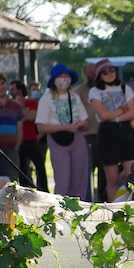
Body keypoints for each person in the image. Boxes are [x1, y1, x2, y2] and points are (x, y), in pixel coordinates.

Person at [88, 58, 134, 201]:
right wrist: (123, 110)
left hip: (125, 131)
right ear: (99, 76)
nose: (109, 74)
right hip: (107, 133)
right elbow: (103, 115)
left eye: (112, 70)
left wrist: (115, 116)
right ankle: (114, 208)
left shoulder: (125, 88)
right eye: (105, 72)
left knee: (132, 175)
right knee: (112, 178)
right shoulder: (95, 91)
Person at [35, 64, 90, 199]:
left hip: (76, 137)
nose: (64, 80)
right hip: (57, 139)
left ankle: (79, 207)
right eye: (60, 77)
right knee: (62, 178)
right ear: (54, 80)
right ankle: (61, 209)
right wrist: (64, 127)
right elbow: (41, 126)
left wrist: (81, 124)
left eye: (66, 77)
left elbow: (86, 122)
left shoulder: (74, 97)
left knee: (80, 177)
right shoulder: (46, 99)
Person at [9, 80, 48, 192]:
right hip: (18, 141)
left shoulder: (32, 103)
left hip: (32, 140)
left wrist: (21, 107)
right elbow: (15, 119)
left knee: (40, 166)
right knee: (22, 169)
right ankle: (26, 191)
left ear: (19, 91)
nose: (11, 92)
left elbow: (32, 116)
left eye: (13, 89)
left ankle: (43, 189)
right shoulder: (10, 105)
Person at [76, 62, 106, 202]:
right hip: (87, 136)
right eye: (90, 71)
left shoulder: (105, 88)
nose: (93, 74)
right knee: (88, 170)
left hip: (104, 133)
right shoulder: (79, 91)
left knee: (104, 169)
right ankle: (87, 200)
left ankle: (103, 197)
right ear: (85, 73)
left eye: (95, 71)